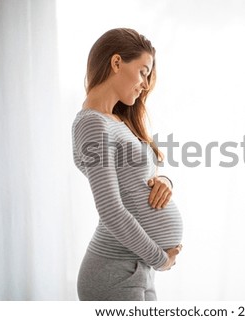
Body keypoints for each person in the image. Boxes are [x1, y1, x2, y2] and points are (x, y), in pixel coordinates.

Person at [71, 28, 183, 301]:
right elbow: (110, 208)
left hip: (137, 268)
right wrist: (160, 259)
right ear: (117, 62)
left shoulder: (118, 120)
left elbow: (140, 175)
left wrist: (165, 182)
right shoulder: (92, 123)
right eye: (143, 71)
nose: (145, 84)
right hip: (114, 272)